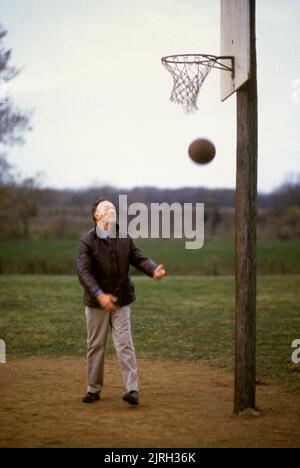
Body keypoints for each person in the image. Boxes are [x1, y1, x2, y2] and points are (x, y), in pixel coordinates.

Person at [77, 197, 166, 405]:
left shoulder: (124, 237)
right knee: (95, 345)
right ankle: (93, 389)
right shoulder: (87, 242)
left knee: (125, 344)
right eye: (106, 208)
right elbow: (83, 272)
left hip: (122, 300)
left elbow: (139, 258)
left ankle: (132, 390)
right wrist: (99, 294)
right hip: (96, 301)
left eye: (113, 208)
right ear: (96, 215)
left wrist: (153, 269)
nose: (111, 210)